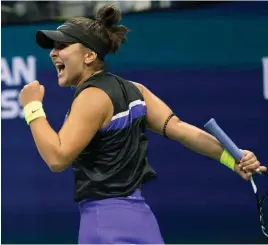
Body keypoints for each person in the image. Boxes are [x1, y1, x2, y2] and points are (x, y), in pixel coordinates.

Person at [19, 4, 267, 244]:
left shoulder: (91, 97)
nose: (53, 52)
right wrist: (231, 158)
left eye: (62, 46)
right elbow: (179, 128)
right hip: (140, 219)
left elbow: (58, 158)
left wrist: (32, 108)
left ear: (89, 55)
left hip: (103, 224)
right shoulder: (136, 91)